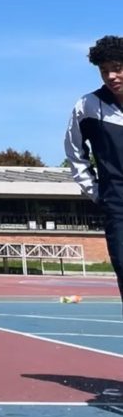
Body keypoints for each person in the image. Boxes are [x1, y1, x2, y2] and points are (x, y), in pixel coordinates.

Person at [64, 35, 123, 308]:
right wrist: (96, 191)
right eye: (103, 70)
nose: (111, 75)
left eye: (117, 67)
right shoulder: (87, 106)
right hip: (117, 204)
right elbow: (75, 151)